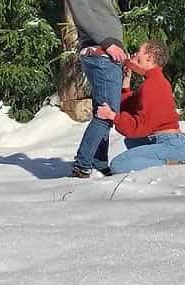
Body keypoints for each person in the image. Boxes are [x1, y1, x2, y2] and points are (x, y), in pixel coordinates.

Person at [96, 40, 185, 174]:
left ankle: (175, 164)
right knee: (132, 141)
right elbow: (130, 107)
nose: (134, 54)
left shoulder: (153, 85)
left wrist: (112, 116)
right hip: (169, 142)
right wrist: (126, 81)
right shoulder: (153, 81)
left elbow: (140, 126)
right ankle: (168, 159)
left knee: (118, 165)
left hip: (173, 146)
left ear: (149, 58)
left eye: (138, 52)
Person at [65, 0, 128, 178]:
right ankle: (82, 165)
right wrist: (107, 42)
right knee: (106, 113)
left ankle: (98, 162)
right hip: (101, 52)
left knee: (103, 111)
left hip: (105, 53)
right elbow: (81, 10)